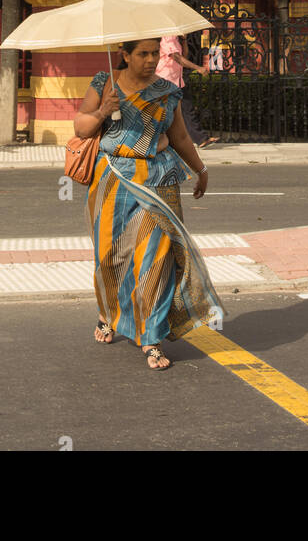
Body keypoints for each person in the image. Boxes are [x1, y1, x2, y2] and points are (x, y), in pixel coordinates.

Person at [74, 37, 224, 371]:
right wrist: (102, 110)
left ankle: (151, 338)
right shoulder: (105, 83)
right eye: (142, 53)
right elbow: (81, 128)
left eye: (154, 53)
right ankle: (108, 313)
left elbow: (181, 137)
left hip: (158, 179)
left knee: (156, 258)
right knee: (109, 256)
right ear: (124, 55)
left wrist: (200, 170)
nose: (150, 59)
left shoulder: (167, 91)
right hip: (112, 178)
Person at [156, 31, 220, 148]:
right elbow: (177, 58)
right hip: (166, 80)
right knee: (164, 113)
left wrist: (184, 40)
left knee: (186, 109)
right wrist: (198, 68)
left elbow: (184, 56)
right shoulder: (167, 36)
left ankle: (201, 139)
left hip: (176, 81)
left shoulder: (175, 39)